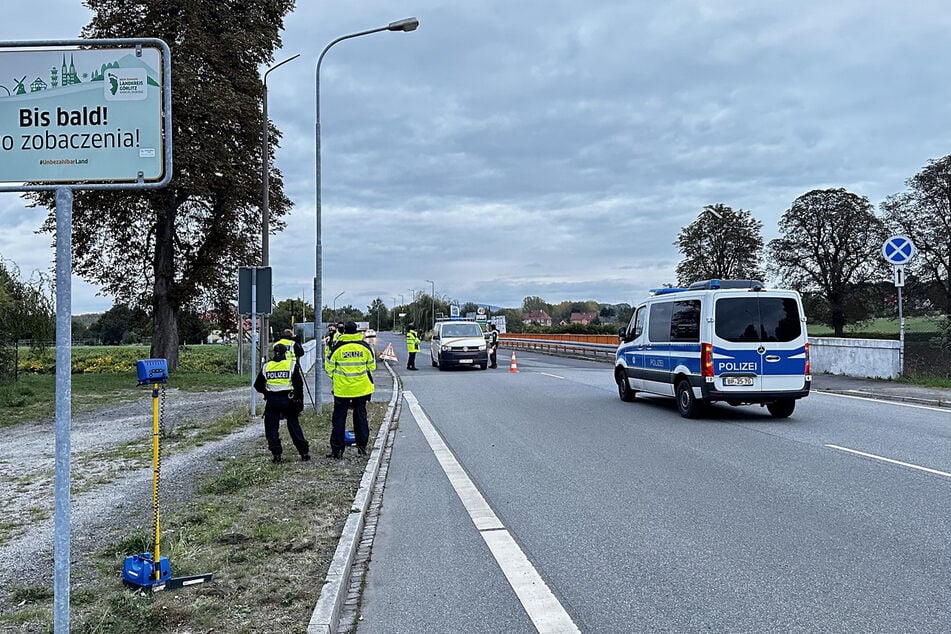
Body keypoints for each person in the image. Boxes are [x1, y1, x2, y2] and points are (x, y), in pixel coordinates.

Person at [324, 321, 376, 458]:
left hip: (342, 389)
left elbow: (328, 367)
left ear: (344, 331)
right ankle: (362, 447)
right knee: (360, 418)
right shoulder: (365, 347)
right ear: (357, 331)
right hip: (361, 388)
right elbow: (372, 366)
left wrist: (337, 378)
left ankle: (337, 450)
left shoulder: (337, 347)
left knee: (339, 419)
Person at [254, 343, 310, 463]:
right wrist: (300, 402)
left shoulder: (267, 366)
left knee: (271, 429)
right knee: (294, 426)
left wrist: (266, 393)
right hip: (289, 400)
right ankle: (304, 452)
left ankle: (276, 455)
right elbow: (298, 385)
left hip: (272, 401)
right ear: (285, 353)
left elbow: (257, 385)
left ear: (274, 352)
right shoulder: (291, 365)